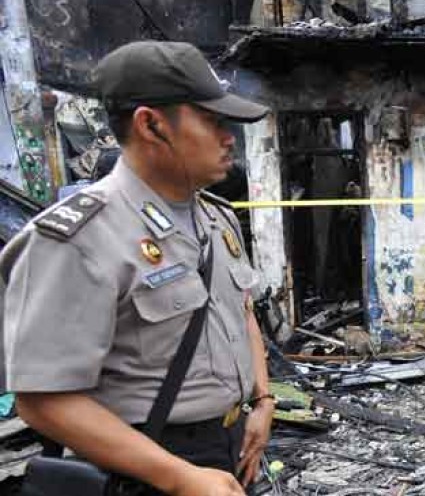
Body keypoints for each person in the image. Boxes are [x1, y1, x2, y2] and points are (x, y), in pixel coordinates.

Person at [0, 41, 274, 496]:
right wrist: (180, 478)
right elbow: (41, 400)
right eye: (212, 121)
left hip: (229, 443)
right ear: (151, 125)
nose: (229, 138)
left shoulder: (217, 218)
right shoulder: (79, 238)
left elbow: (242, 312)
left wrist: (262, 402)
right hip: (143, 464)